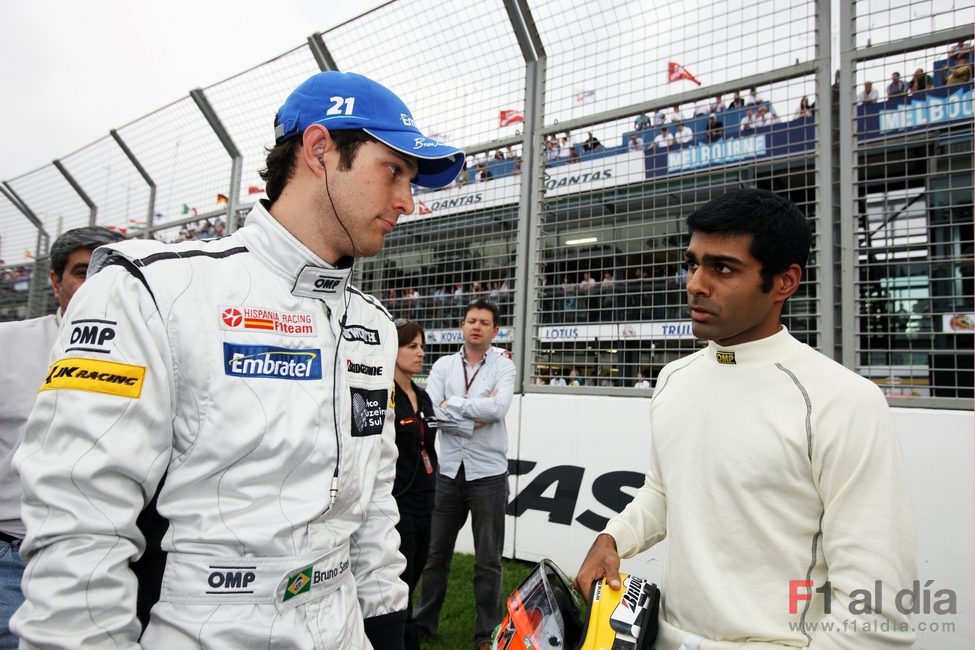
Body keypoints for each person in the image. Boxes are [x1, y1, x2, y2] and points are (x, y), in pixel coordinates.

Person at [12, 71, 465, 649]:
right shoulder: (156, 290)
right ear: (320, 149)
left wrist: (385, 621)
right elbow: (80, 526)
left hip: (346, 625)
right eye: (394, 171)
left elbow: (371, 500)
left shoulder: (372, 325)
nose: (406, 200)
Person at [573, 189, 917, 648]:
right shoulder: (675, 377)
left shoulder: (844, 400)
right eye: (692, 263)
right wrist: (613, 538)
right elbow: (664, 488)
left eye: (722, 268)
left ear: (783, 282)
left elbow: (876, 607)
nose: (695, 283)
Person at [0, 226, 124, 649]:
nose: (95, 284)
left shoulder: (160, 350)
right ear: (55, 282)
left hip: (111, 562)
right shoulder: (7, 343)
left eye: (107, 271)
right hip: (11, 558)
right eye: (82, 272)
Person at [414, 299, 515, 650]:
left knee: (488, 561)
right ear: (462, 326)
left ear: (494, 330)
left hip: (488, 475)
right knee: (435, 555)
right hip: (448, 473)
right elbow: (432, 411)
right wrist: (475, 415)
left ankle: (487, 633)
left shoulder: (504, 366)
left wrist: (453, 406)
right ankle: (423, 623)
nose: (476, 326)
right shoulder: (443, 365)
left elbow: (499, 407)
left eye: (484, 323)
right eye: (471, 321)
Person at [391, 319, 439, 650]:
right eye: (411, 346)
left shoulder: (423, 396)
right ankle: (401, 638)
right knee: (399, 585)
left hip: (427, 502)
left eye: (421, 346)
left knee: (415, 576)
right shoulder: (385, 396)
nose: (420, 352)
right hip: (397, 505)